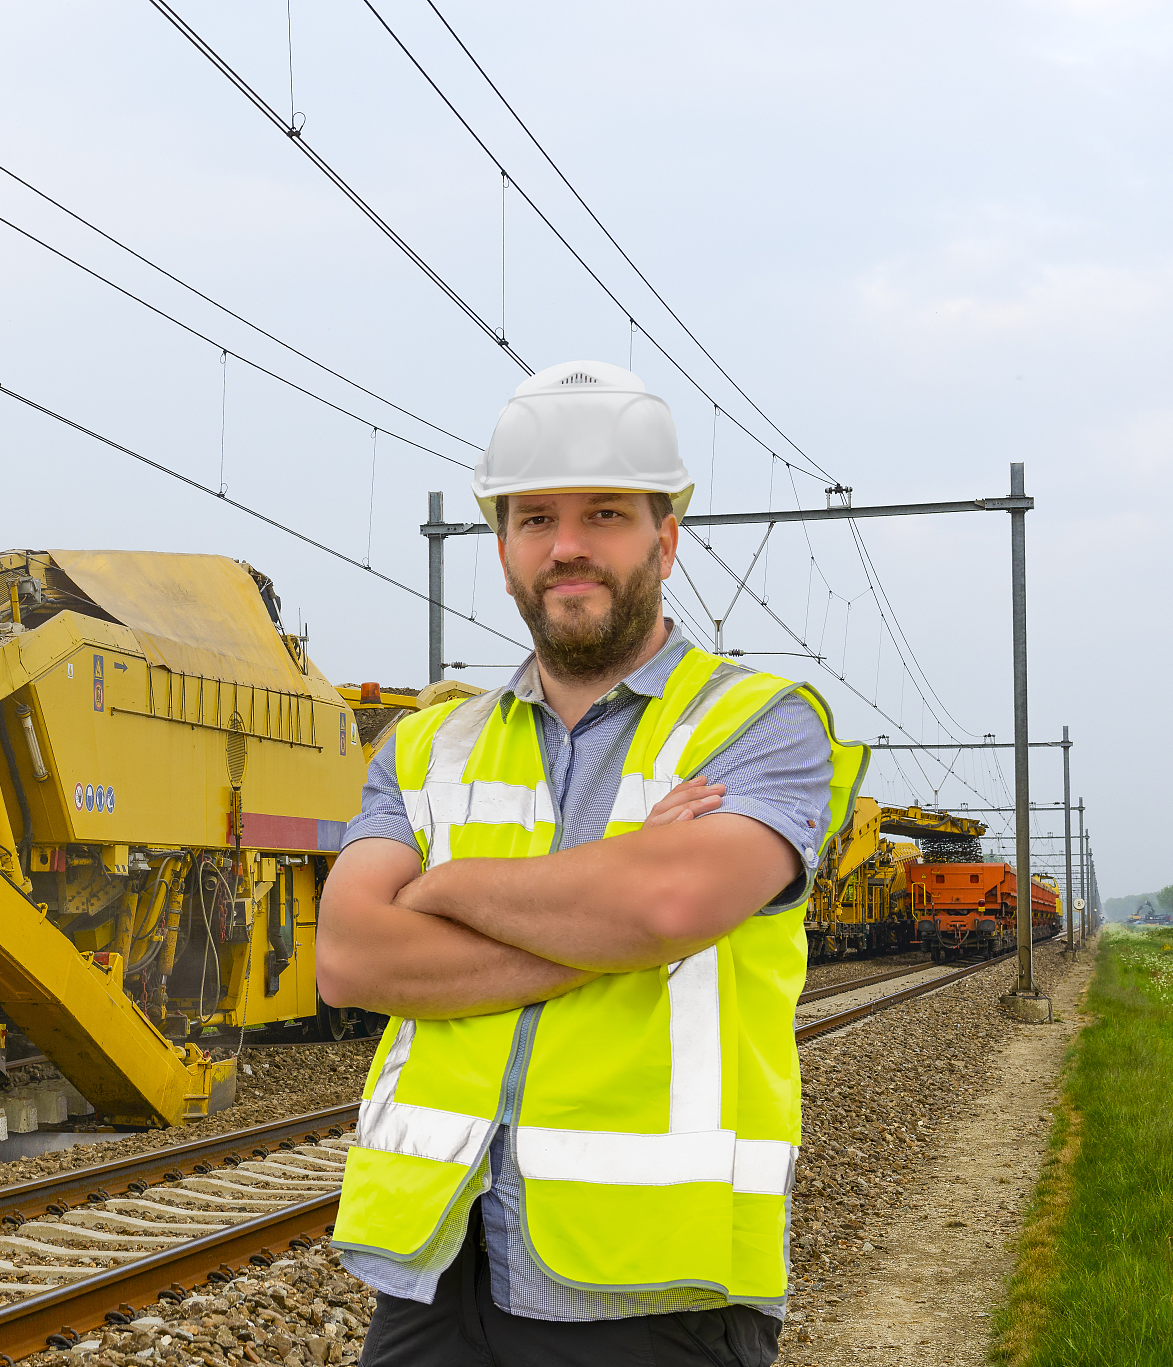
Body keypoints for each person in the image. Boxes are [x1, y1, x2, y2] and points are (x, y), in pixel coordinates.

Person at [318, 360, 868, 1367]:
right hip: (434, 1263)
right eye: (533, 519)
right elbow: (351, 957)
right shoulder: (422, 745)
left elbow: (663, 903)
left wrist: (440, 889)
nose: (564, 545)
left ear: (664, 537)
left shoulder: (758, 726)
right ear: (501, 547)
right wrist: (602, 918)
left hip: (651, 1285)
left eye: (604, 513)